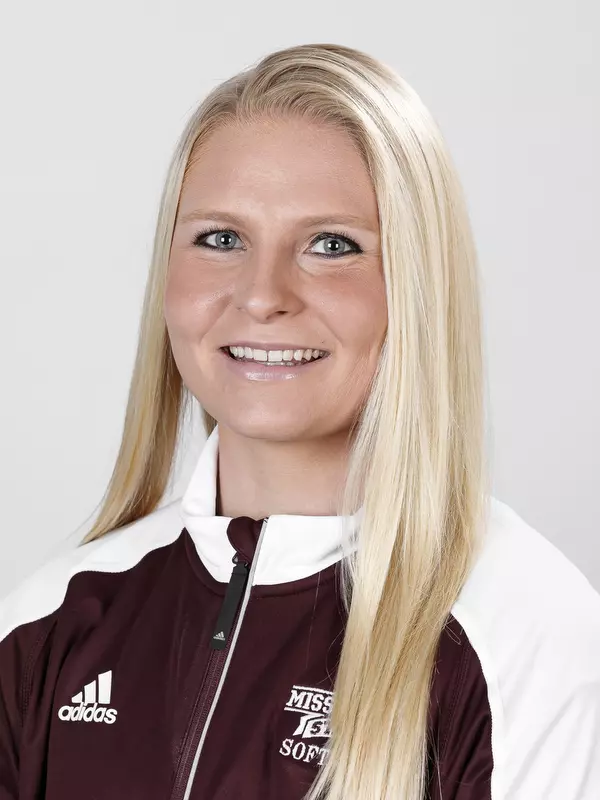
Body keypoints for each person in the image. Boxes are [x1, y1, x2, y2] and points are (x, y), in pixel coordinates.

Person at [1, 42, 599, 800]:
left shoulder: (526, 634)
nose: (262, 294)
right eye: (221, 239)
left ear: (416, 286)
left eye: (331, 245)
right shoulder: (44, 625)